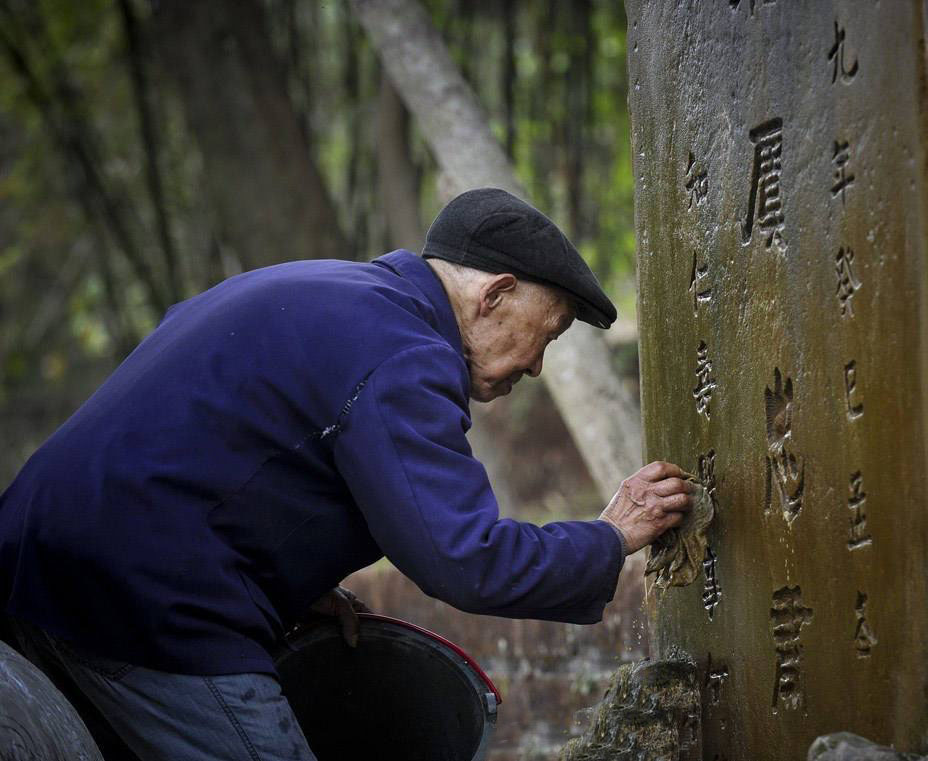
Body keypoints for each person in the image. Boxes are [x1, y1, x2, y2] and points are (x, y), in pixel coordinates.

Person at [0, 188, 693, 760]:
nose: (536, 365)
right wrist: (609, 537)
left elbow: (213, 453)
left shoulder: (335, 294)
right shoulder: (405, 352)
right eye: (546, 333)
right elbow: (464, 557)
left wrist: (288, 585)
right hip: (143, 595)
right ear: (496, 294)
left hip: (35, 553)